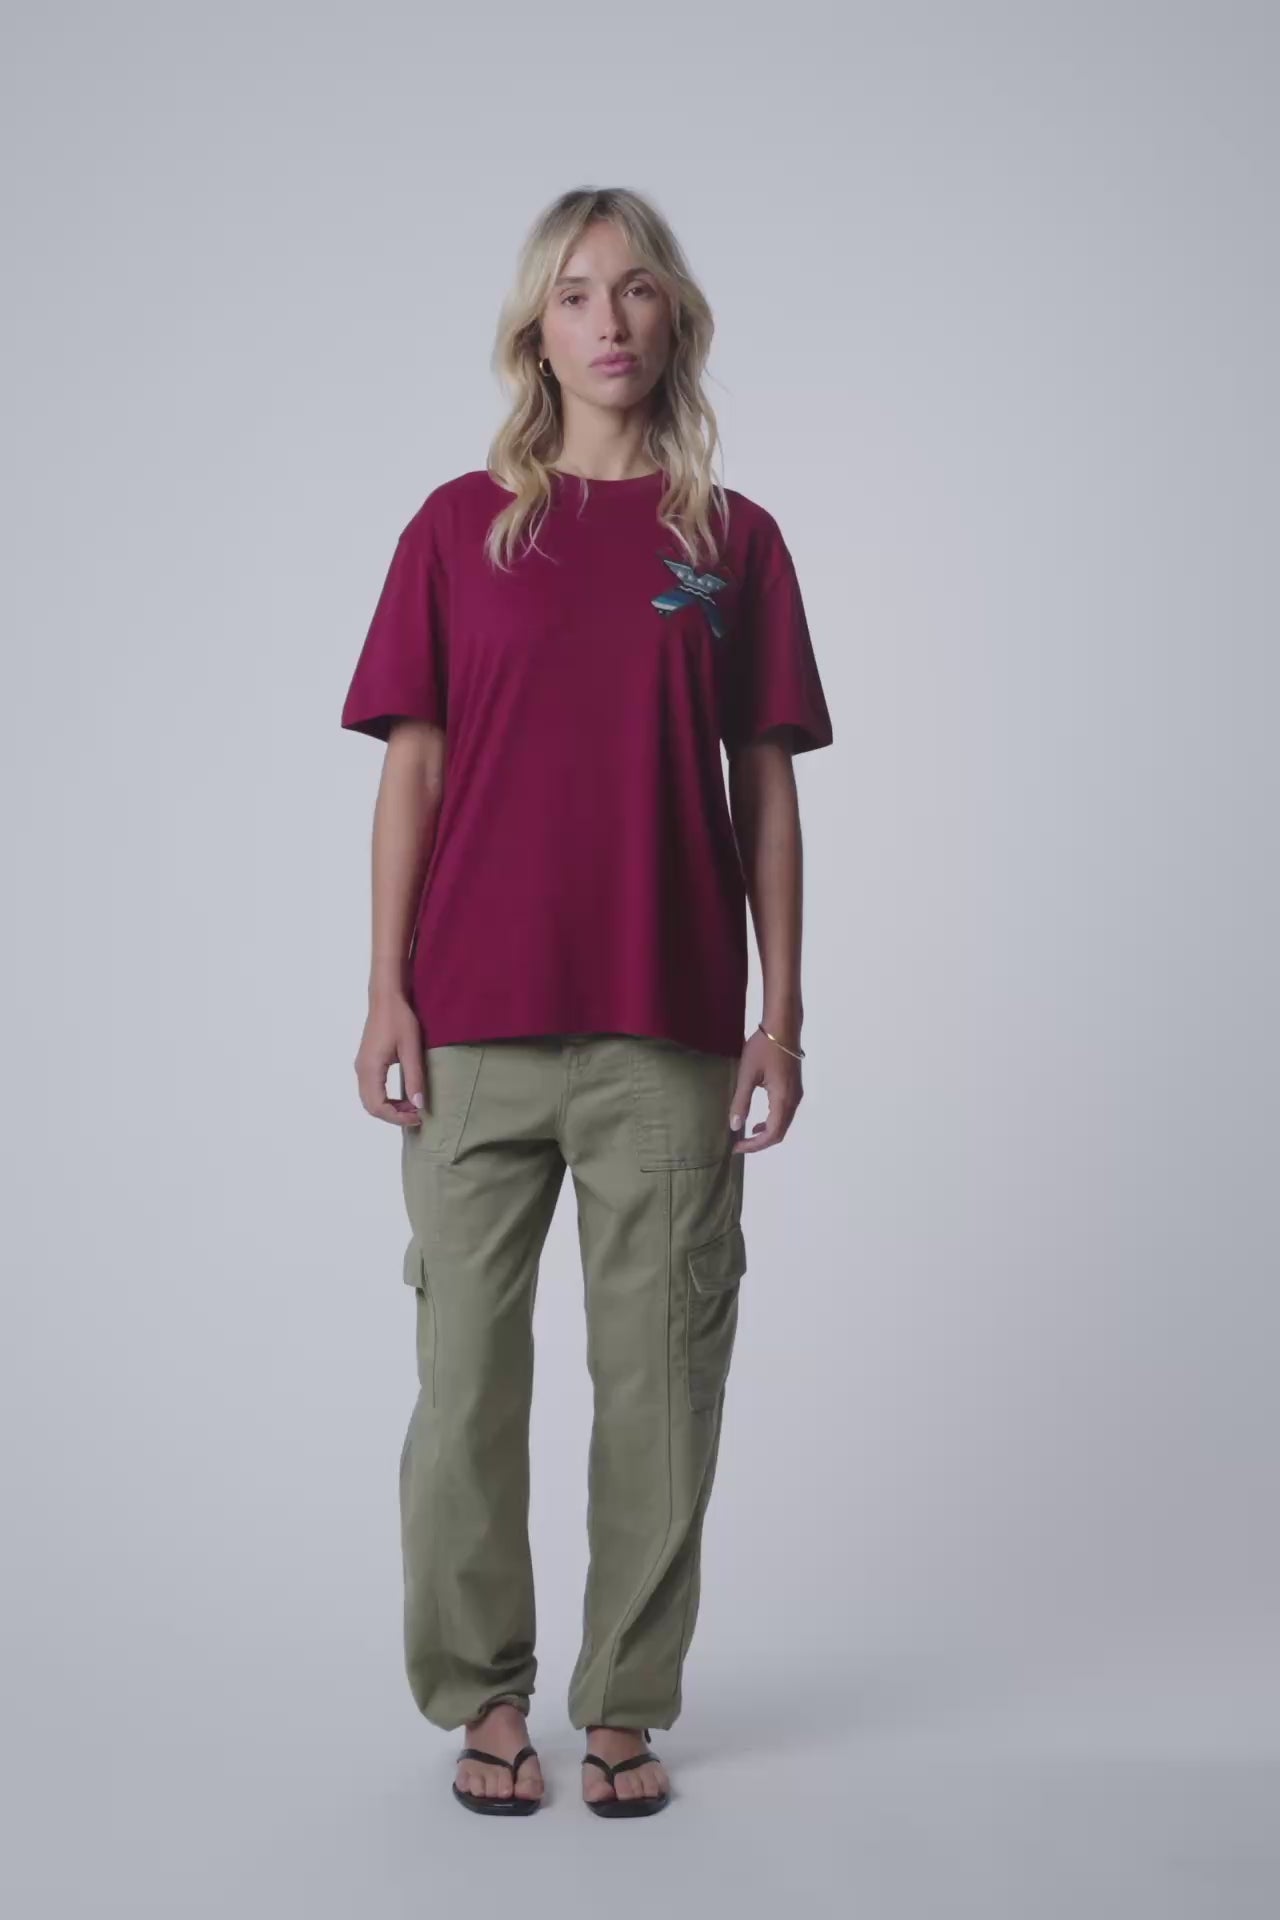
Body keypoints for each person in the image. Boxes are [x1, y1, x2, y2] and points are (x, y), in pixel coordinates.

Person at [340, 186, 834, 1818]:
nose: (606, 320)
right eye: (572, 294)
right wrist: (384, 989)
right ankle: (482, 1697)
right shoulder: (454, 528)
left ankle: (622, 1703)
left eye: (633, 290)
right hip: (471, 1029)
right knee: (465, 1389)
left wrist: (782, 1015)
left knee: (664, 1388)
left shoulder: (731, 542)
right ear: (534, 331)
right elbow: (412, 772)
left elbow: (766, 788)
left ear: (672, 318)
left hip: (670, 1030)